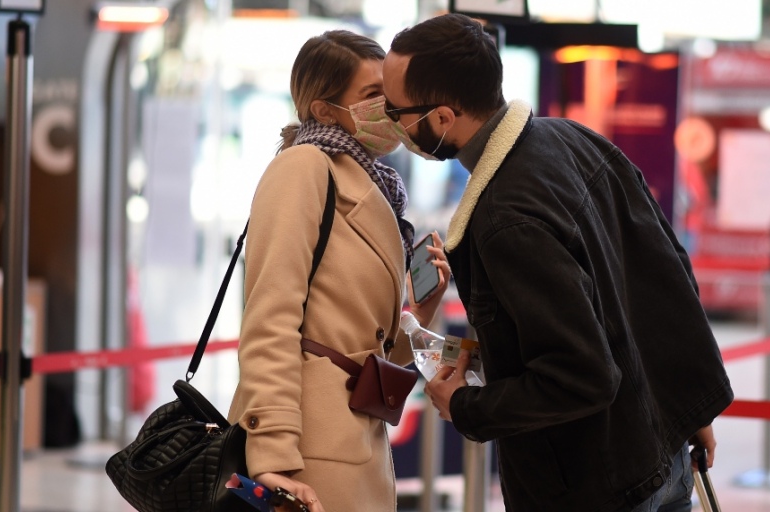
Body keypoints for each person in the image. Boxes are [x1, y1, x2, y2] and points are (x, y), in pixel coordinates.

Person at [381, 13, 734, 512]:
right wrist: (690, 404)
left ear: (441, 118)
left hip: (598, 483)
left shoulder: (504, 217)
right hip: (664, 448)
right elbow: (667, 272)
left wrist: (465, 406)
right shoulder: (571, 138)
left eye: (397, 112)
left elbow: (581, 375)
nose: (392, 123)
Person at [226, 30, 449, 512]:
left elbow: (368, 342)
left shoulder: (374, 183)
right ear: (325, 109)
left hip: (356, 437)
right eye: (372, 96)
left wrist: (421, 311)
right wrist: (272, 453)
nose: (387, 110)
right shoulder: (304, 168)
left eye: (389, 98)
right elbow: (270, 319)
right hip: (307, 446)